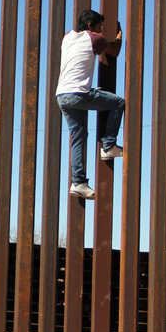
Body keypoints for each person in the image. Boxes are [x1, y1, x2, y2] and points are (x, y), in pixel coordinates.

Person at [56, 10, 125, 199]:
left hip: (62, 95)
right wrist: (118, 35)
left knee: (79, 136)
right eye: (99, 27)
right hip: (78, 93)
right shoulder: (95, 38)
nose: (101, 31)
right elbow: (114, 51)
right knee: (118, 103)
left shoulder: (67, 37)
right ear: (90, 27)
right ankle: (109, 145)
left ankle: (78, 182)